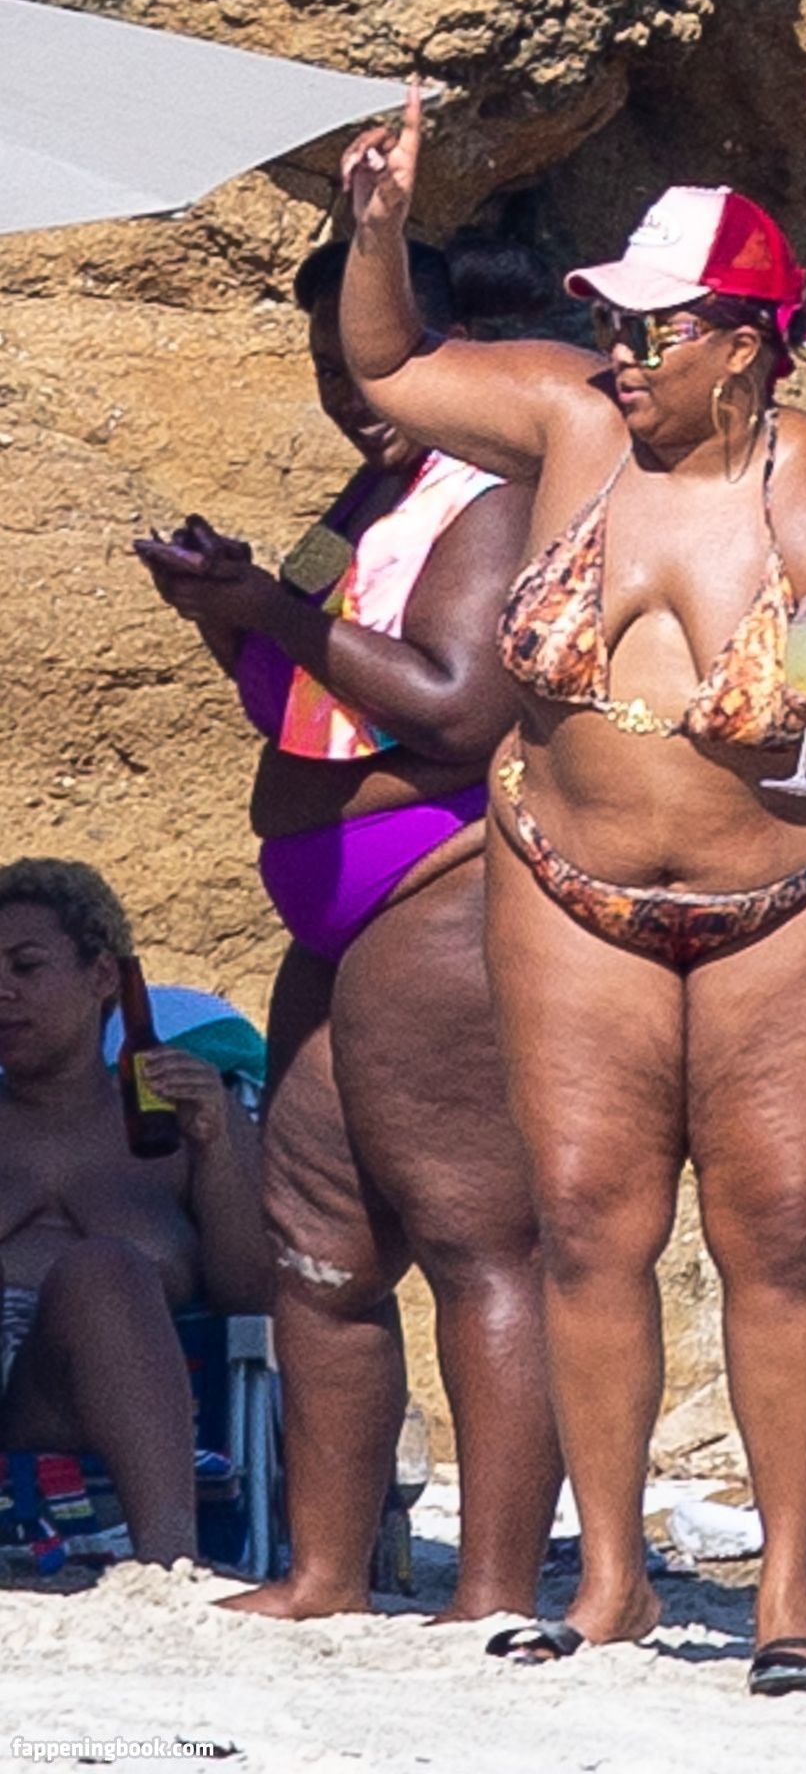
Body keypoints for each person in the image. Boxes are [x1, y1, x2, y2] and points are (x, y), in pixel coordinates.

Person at [337, 92, 806, 1693]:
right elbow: (388, 367)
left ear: (747, 344)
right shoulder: (570, 424)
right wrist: (377, 230)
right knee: (587, 1222)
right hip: (565, 880)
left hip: (798, 892)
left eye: (655, 326)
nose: (622, 350)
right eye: (612, 321)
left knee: (774, 1228)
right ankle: (613, 1583)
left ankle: (786, 1592)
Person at [139, 235, 562, 1622]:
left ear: (438, 348)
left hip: (441, 892)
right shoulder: (373, 490)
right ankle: (325, 1573)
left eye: (365, 356)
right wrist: (226, 607)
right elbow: (299, 681)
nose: (347, 390)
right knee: (315, 1244)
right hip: (340, 915)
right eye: (325, 365)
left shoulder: (495, 491)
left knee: (477, 1243)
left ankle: (491, 1588)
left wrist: (266, 603)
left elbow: (455, 703)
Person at [0, 858, 271, 1566]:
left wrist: (215, 1147)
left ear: (102, 978)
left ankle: (169, 1563)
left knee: (105, 1271)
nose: (2, 990)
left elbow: (251, 1298)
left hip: (69, 1399)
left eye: (26, 966)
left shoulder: (175, 1121)